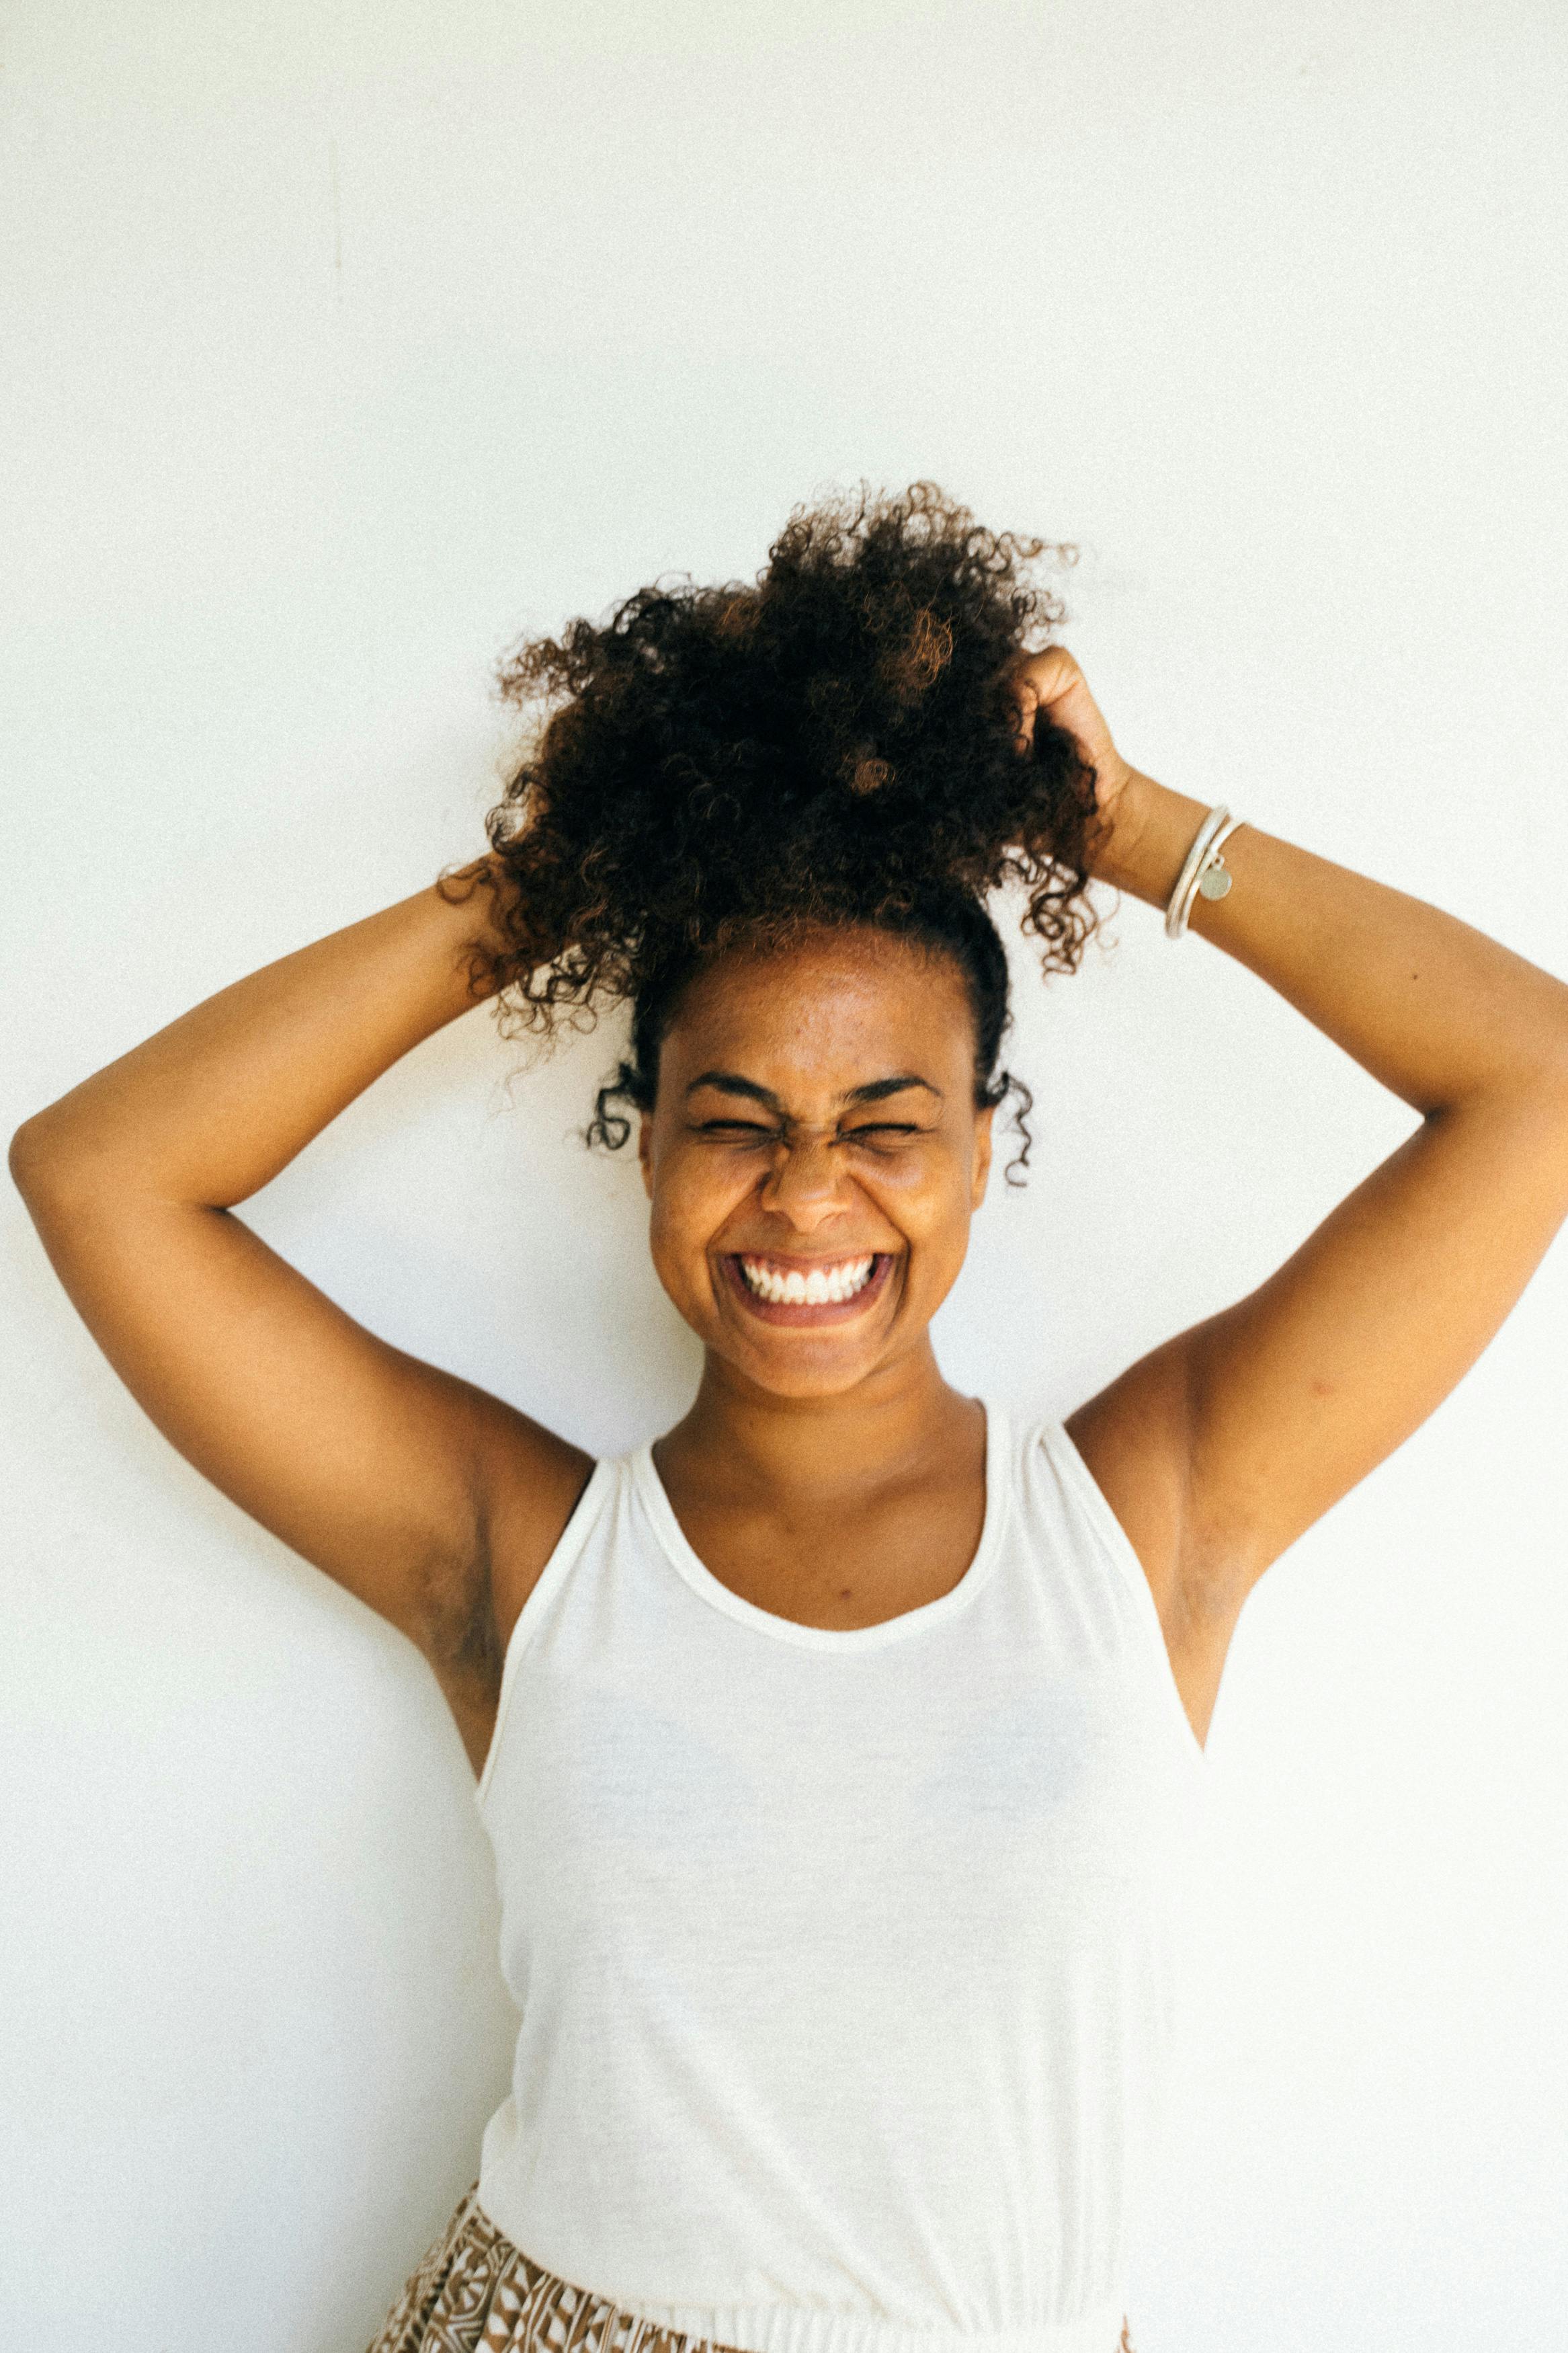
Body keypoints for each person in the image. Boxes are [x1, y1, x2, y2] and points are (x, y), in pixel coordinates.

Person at [11, 483, 1568, 2353]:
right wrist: (557, 888)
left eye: (886, 1125)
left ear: (985, 1145)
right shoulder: (521, 1550)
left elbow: (1537, 1083)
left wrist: (1127, 832)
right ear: (643, 1144)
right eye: (735, 1118)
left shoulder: (1151, 1517)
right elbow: (98, 1173)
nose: (807, 1198)